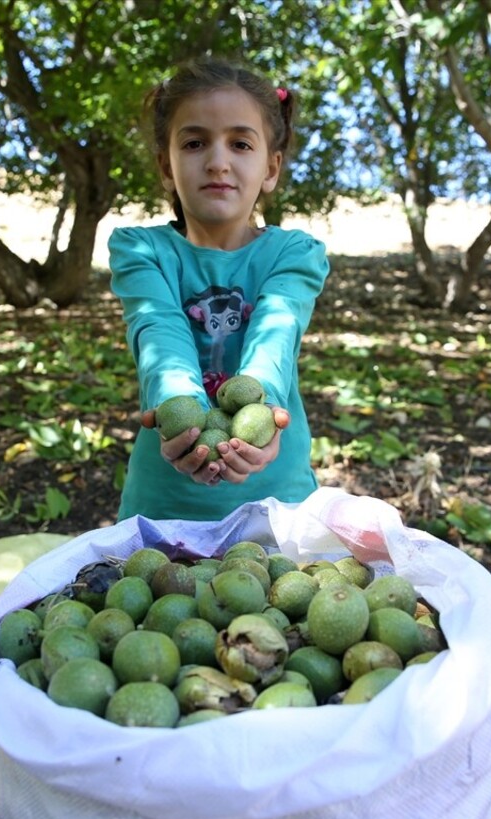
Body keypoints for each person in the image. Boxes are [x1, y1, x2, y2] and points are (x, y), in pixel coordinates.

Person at [109, 55, 329, 522]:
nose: (217, 161)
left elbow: (277, 330)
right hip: (162, 509)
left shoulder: (294, 253)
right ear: (166, 167)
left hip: (277, 504)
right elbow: (159, 330)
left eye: (240, 144)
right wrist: (177, 406)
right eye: (194, 143)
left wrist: (263, 407)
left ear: (271, 168)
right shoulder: (140, 250)